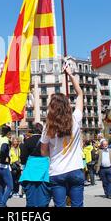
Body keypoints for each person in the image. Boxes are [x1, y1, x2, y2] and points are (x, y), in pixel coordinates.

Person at [40, 61, 85, 207]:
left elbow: (43, 151)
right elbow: (80, 94)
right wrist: (71, 75)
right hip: (75, 169)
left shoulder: (48, 127)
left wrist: (53, 154)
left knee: (60, 206)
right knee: (77, 205)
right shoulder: (75, 119)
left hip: (57, 171)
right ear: (67, 106)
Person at [19, 123, 51, 207]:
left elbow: (23, 157)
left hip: (30, 171)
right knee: (44, 196)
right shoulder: (46, 140)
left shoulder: (27, 141)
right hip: (45, 170)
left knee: (30, 198)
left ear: (32, 130)